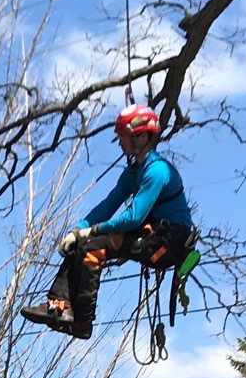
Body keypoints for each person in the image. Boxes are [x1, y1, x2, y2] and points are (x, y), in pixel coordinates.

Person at [20, 104, 195, 341]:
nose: (120, 143)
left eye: (124, 137)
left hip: (168, 244)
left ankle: (82, 322)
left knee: (94, 244)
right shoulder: (133, 173)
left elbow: (134, 216)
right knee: (81, 245)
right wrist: (79, 229)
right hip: (152, 237)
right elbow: (109, 204)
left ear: (142, 137)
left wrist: (94, 230)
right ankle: (59, 306)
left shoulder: (158, 171)